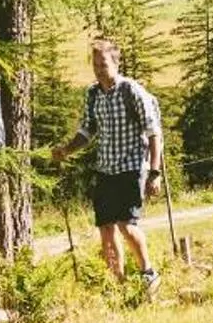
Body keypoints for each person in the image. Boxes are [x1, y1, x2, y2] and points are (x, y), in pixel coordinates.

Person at [52, 37, 165, 294]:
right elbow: (88, 129)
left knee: (127, 224)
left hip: (132, 166)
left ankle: (148, 273)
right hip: (106, 168)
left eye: (103, 64)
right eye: (95, 64)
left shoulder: (131, 91)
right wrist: (67, 150)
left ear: (115, 63)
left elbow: (153, 132)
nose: (98, 69)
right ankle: (117, 284)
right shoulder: (93, 94)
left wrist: (155, 172)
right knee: (106, 228)